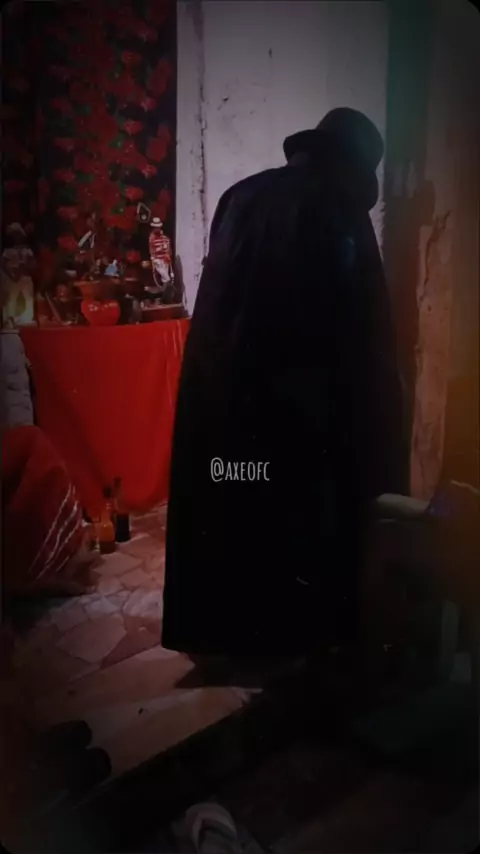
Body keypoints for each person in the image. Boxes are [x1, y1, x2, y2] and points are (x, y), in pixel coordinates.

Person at [162, 108, 404, 658]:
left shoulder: (239, 196)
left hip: (222, 402)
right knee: (291, 530)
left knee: (232, 512)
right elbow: (361, 333)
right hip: (294, 415)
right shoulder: (339, 209)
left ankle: (222, 632)